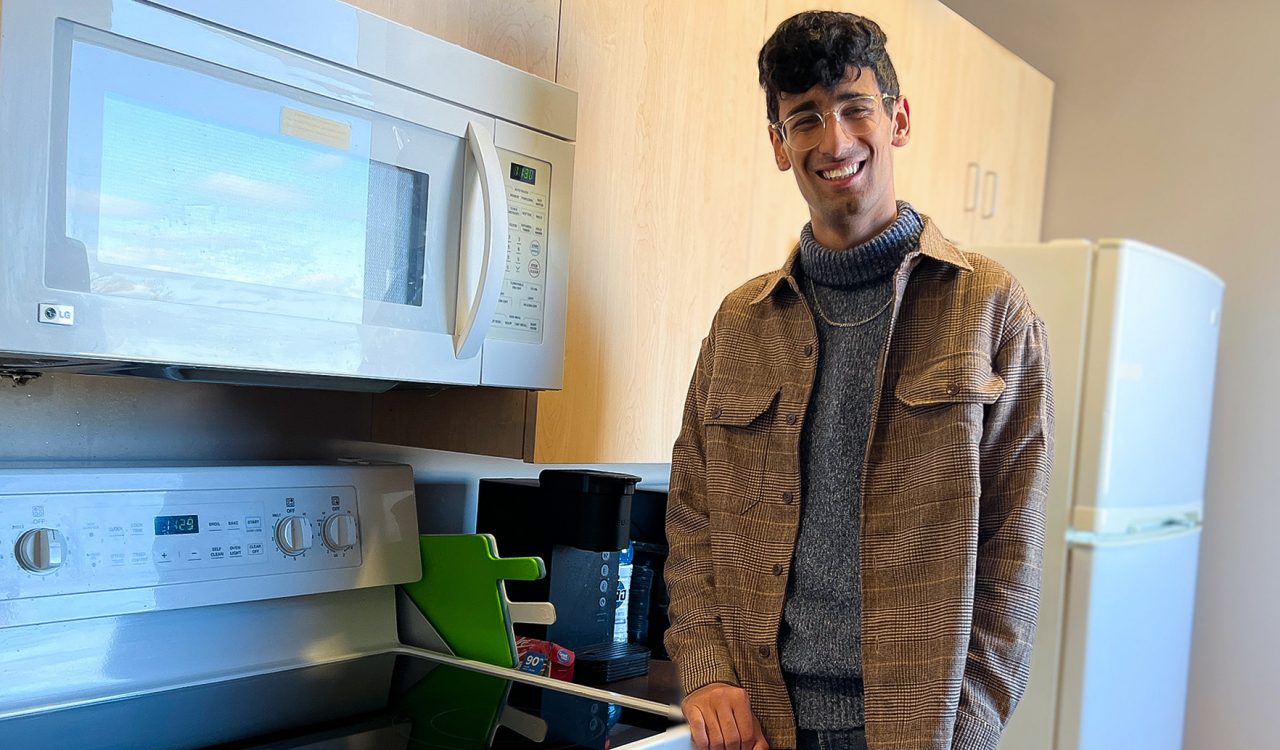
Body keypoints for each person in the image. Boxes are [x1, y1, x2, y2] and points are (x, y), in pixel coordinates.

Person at [663, 11, 1054, 750]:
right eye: (804, 118)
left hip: (917, 730)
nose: (834, 141)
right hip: (761, 725)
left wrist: (967, 729)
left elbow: (1014, 550)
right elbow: (692, 517)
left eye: (854, 107)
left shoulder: (990, 308)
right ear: (780, 145)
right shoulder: (740, 324)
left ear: (898, 119)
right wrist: (707, 666)